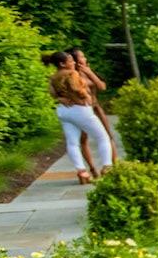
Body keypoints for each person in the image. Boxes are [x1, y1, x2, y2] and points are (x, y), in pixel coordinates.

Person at [47, 51, 113, 182]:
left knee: (72, 142)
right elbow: (75, 87)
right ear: (62, 64)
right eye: (70, 61)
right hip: (80, 109)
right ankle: (107, 166)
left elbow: (53, 94)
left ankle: (82, 171)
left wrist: (62, 98)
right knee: (103, 137)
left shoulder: (52, 77)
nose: (73, 63)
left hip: (63, 111)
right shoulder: (72, 73)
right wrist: (85, 96)